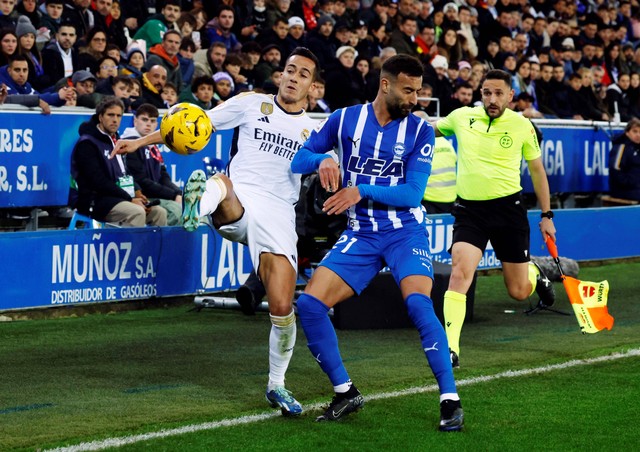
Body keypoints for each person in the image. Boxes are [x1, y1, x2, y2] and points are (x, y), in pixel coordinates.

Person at [110, 47, 320, 417]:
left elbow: (343, 155)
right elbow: (193, 125)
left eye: (302, 74)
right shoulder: (250, 103)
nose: (293, 77)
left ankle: (277, 385)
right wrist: (139, 142)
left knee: (284, 308)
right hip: (238, 200)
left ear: (312, 86)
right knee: (220, 182)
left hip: (278, 216)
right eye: (289, 70)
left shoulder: (316, 129)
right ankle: (198, 207)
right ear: (280, 75)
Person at [289, 54, 463, 431]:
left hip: (404, 232)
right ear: (385, 85)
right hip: (361, 235)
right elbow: (297, 159)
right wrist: (320, 161)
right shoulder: (344, 119)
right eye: (408, 90)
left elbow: (414, 193)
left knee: (418, 304)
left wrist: (359, 190)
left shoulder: (420, 131)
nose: (415, 99)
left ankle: (450, 399)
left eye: (418, 91)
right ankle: (344, 391)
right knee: (310, 305)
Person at [433, 69, 556, 368]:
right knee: (460, 273)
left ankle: (535, 273)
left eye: (499, 93)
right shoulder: (462, 117)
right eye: (487, 92)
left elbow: (538, 171)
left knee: (518, 291)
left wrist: (546, 215)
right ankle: (450, 349)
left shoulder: (522, 126)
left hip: (508, 211)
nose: (492, 99)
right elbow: (428, 129)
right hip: (469, 211)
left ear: (511, 96)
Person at [70, 96, 167, 227]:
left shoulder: (117, 140)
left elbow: (124, 172)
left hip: (118, 197)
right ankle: (132, 248)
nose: (115, 120)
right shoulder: (87, 143)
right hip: (94, 200)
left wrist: (137, 190)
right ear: (100, 117)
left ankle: (153, 248)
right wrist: (130, 198)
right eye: (110, 115)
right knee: (137, 212)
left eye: (118, 116)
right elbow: (98, 181)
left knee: (159, 212)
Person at [122, 103, 183, 225]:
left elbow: (164, 177)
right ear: (135, 121)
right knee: (176, 210)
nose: (148, 124)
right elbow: (142, 181)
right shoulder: (129, 144)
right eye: (144, 119)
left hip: (155, 195)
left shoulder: (152, 146)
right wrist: (173, 196)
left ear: (157, 124)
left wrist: (178, 193)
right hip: (141, 197)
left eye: (152, 121)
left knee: (191, 210)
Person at [608, 117, 640, 201]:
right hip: (624, 192)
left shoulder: (637, 149)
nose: (638, 135)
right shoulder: (621, 147)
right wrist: (631, 183)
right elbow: (615, 169)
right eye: (635, 131)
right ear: (627, 133)